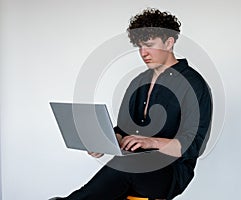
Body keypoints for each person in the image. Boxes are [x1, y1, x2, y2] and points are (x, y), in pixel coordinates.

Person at [50, 8, 212, 200]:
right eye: (140, 47)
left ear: (169, 43)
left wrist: (150, 142)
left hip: (169, 172)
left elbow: (193, 145)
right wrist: (105, 142)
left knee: (128, 165)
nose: (144, 53)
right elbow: (124, 130)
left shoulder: (194, 84)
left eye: (149, 45)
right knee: (126, 164)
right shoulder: (138, 81)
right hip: (130, 164)